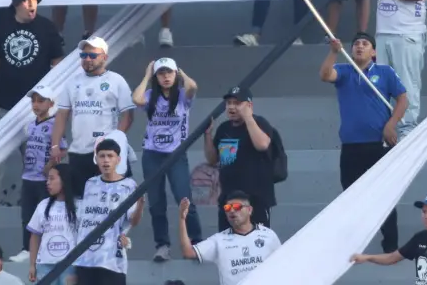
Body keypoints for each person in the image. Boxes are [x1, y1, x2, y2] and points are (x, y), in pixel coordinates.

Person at [0, 0, 64, 207]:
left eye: (34, 0)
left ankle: (41, 192)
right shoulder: (2, 27)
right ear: (16, 4)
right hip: (5, 100)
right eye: (26, 0)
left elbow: (58, 64)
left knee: (37, 150)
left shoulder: (47, 27)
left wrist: (53, 99)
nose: (32, 3)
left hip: (37, 105)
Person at [321, 33, 408, 252]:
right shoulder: (344, 70)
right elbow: (325, 75)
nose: (359, 46)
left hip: (379, 145)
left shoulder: (385, 72)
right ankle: (354, 242)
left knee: (384, 194)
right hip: (351, 145)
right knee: (351, 195)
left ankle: (390, 244)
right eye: (356, 44)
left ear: (374, 51)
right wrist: (333, 52)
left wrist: (391, 124)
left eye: (365, 44)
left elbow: (403, 99)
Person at [49, 36, 136, 197]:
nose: (87, 59)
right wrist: (55, 145)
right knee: (80, 201)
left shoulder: (116, 80)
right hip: (78, 153)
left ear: (104, 57)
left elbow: (128, 116)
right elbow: (62, 115)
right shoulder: (71, 82)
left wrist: (114, 142)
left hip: (105, 153)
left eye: (93, 56)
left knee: (112, 198)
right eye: (84, 55)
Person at [133, 57, 201, 261]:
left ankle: (196, 242)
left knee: (184, 198)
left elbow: (193, 86)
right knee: (156, 202)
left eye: (169, 72)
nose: (165, 77)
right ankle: (162, 245)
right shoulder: (150, 95)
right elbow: (136, 99)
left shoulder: (182, 95)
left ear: (175, 74)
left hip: (176, 154)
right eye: (161, 73)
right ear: (156, 76)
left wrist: (181, 73)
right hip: (152, 154)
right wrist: (146, 75)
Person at [356, 0, 427, 135]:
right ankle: (384, 129)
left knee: (406, 85)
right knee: (380, 84)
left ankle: (406, 131)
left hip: (407, 34)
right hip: (383, 33)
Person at [203, 87, 281, 231]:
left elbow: (262, 144)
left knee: (258, 242)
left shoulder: (260, 123)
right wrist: (208, 135)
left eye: (237, 103)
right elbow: (212, 159)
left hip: (255, 200)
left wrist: (248, 117)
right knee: (227, 241)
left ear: (249, 105)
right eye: (229, 103)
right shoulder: (224, 128)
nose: (231, 107)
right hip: (229, 199)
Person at [350, 192, 427, 285]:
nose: (426, 216)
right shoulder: (419, 238)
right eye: (424, 212)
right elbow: (392, 257)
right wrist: (367, 257)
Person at [75, 138, 144, 285]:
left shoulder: (128, 185)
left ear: (118, 159)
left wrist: (141, 203)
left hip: (112, 259)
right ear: (96, 159)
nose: (106, 160)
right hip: (85, 258)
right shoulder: (90, 183)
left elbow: (134, 220)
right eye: (102, 156)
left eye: (110, 156)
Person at [181, 191, 282, 285]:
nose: (232, 211)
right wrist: (182, 219)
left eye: (237, 207)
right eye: (228, 208)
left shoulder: (269, 235)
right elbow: (188, 252)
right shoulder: (219, 240)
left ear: (249, 210)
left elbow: (283, 263)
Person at [12, 85, 64, 263]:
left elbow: (62, 149)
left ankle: (43, 248)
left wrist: (49, 166)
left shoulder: (54, 124)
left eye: (41, 101)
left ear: (51, 103)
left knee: (45, 214)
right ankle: (27, 249)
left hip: (43, 179)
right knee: (27, 215)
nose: (36, 104)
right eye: (33, 101)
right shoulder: (29, 125)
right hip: (28, 177)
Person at [26, 163, 78, 284]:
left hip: (71, 264)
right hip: (44, 264)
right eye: (47, 178)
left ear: (64, 180)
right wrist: (32, 265)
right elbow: (34, 236)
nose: (47, 182)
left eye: (52, 178)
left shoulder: (79, 205)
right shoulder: (43, 205)